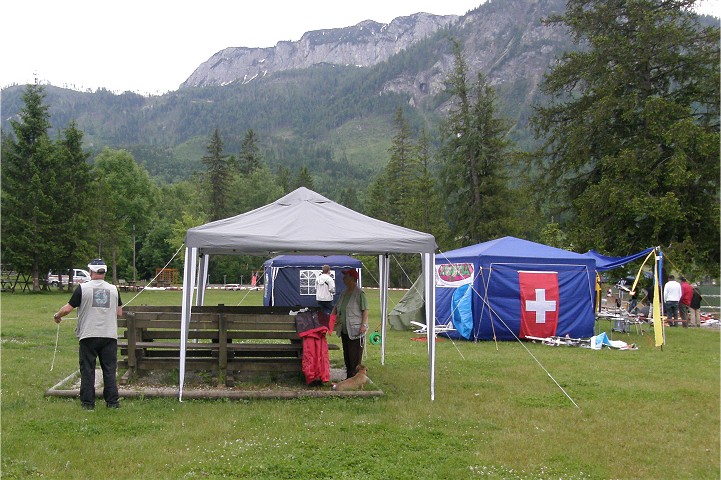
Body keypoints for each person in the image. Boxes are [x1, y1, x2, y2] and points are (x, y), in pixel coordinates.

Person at [54, 259, 123, 410]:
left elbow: (67, 309)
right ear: (104, 272)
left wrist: (57, 315)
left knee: (87, 369)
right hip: (109, 335)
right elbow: (119, 312)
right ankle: (112, 403)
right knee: (109, 369)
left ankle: (88, 403)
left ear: (91, 271)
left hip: (89, 334)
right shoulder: (113, 289)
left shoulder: (82, 288)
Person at [330, 268, 368, 379]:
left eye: (345, 276)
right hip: (344, 329)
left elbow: (365, 310)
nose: (343, 278)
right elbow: (336, 308)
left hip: (356, 330)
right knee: (347, 355)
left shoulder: (360, 293)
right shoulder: (343, 293)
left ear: (352, 278)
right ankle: (348, 376)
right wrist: (331, 321)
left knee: (355, 356)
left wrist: (363, 325)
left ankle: (356, 378)